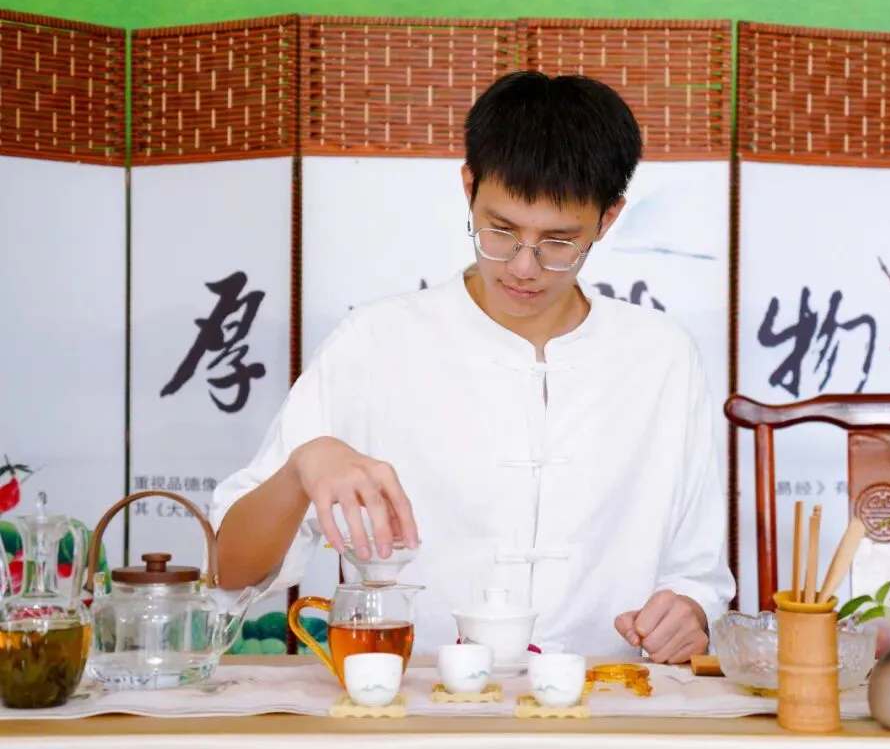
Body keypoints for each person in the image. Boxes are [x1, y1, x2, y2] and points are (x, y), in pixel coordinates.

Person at [210, 70, 736, 664]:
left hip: (608, 697)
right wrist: (299, 468)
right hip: (412, 700)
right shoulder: (374, 344)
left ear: (608, 218)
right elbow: (230, 570)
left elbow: (698, 578)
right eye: (500, 230)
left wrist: (689, 613)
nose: (523, 267)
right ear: (469, 187)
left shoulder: (662, 358)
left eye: (558, 241)